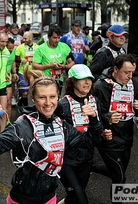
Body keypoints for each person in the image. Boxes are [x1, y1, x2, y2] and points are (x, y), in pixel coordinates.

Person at [0, 68, 102, 204]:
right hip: (23, 200)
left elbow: (89, 142)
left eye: (52, 97)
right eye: (42, 97)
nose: (48, 103)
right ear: (33, 98)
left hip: (50, 198)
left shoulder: (61, 125)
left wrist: (94, 119)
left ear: (58, 97)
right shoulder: (22, 127)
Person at [93, 54, 138, 204]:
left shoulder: (133, 84)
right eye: (126, 72)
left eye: (132, 72)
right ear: (115, 69)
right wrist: (108, 117)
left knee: (118, 170)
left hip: (127, 136)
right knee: (120, 177)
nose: (130, 76)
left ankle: (91, 166)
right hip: (108, 137)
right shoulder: (100, 86)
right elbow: (93, 114)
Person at [56, 64, 110, 204]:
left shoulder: (94, 101)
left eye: (89, 79)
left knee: (73, 197)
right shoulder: (62, 104)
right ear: (73, 81)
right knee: (81, 199)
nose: (87, 82)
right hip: (67, 161)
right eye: (82, 79)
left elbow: (97, 136)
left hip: (86, 158)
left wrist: (94, 119)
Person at [32, 26, 75, 94]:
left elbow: (72, 62)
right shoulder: (40, 49)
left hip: (59, 80)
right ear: (48, 37)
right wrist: (49, 66)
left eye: (58, 38)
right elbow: (34, 65)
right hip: (45, 80)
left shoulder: (65, 47)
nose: (57, 40)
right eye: (54, 38)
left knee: (56, 99)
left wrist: (64, 67)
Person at [15, 31, 38, 112]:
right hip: (23, 72)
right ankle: (25, 109)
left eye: (25, 38)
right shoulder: (20, 47)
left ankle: (20, 102)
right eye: (23, 38)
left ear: (31, 38)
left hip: (34, 73)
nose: (23, 40)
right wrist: (21, 60)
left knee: (34, 92)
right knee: (25, 93)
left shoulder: (37, 47)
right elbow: (16, 58)